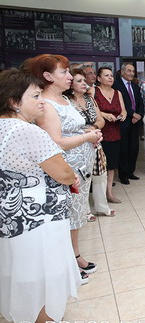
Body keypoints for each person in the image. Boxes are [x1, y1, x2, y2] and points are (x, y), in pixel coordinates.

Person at [0, 69, 81, 323]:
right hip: (39, 215)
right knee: (45, 271)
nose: (41, 101)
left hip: (12, 215)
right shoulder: (27, 131)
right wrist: (71, 176)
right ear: (14, 102)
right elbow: (62, 172)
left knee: (23, 271)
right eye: (35, 96)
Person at [27, 54, 103, 285]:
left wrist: (89, 135)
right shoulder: (46, 104)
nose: (70, 76)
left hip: (81, 168)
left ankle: (75, 255)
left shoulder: (64, 99)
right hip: (65, 169)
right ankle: (66, 264)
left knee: (76, 215)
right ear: (48, 76)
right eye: (64, 72)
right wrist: (86, 137)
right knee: (65, 217)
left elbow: (74, 129)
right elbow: (56, 142)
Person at [66, 69, 113, 219]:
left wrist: (93, 128)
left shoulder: (90, 99)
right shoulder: (66, 101)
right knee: (82, 178)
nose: (84, 84)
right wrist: (85, 134)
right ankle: (84, 210)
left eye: (84, 81)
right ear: (71, 84)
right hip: (77, 144)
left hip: (95, 141)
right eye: (79, 81)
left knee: (100, 176)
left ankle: (102, 207)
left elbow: (101, 120)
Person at [94, 67, 126, 205]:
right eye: (106, 75)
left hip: (114, 132)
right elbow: (89, 109)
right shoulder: (93, 91)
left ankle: (109, 193)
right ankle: (98, 195)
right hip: (99, 133)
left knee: (111, 164)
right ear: (99, 78)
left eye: (111, 75)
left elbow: (123, 110)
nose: (110, 78)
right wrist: (103, 114)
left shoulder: (117, 93)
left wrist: (123, 115)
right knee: (98, 165)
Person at [113, 63, 144, 184]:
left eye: (133, 71)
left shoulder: (135, 86)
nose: (131, 73)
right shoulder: (116, 85)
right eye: (129, 71)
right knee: (124, 149)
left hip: (135, 122)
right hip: (124, 122)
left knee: (134, 148)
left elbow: (140, 102)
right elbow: (120, 104)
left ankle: (131, 172)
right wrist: (133, 114)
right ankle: (123, 175)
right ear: (122, 72)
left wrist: (139, 115)